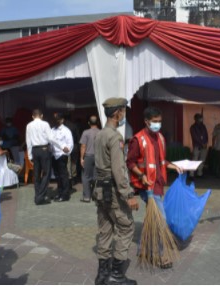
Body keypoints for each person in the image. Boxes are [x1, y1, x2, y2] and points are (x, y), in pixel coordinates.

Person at [126, 106, 183, 269]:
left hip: (158, 183)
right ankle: (157, 254)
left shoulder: (160, 138)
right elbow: (130, 162)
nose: (158, 124)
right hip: (146, 186)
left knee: (152, 216)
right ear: (146, 121)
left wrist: (174, 166)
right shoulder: (138, 139)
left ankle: (143, 248)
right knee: (160, 220)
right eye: (155, 121)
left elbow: (161, 161)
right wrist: (141, 175)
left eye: (160, 121)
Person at [93, 97, 139, 285]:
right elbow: (119, 170)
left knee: (105, 230)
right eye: (123, 111)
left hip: (99, 188)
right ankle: (117, 275)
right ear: (117, 113)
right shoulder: (114, 136)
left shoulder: (99, 134)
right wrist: (128, 194)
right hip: (112, 189)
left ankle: (102, 275)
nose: (123, 114)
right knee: (127, 227)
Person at [26, 109, 61, 205]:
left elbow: (28, 141)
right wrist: (60, 146)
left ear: (33, 116)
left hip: (35, 150)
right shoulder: (45, 124)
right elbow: (50, 138)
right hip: (44, 149)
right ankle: (40, 197)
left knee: (36, 174)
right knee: (46, 173)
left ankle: (38, 195)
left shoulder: (29, 125)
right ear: (41, 115)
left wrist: (29, 155)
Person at [51, 112, 73, 202]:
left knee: (63, 175)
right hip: (54, 155)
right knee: (57, 175)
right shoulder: (52, 129)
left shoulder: (66, 130)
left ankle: (65, 195)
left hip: (61, 155)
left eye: (58, 119)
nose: (56, 121)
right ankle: (59, 193)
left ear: (62, 120)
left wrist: (67, 151)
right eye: (55, 119)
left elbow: (70, 143)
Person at [79, 115, 100, 202]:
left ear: (88, 123)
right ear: (97, 122)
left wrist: (81, 158)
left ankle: (87, 196)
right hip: (98, 157)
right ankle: (96, 195)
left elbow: (83, 146)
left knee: (86, 176)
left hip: (88, 156)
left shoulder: (86, 132)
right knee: (96, 177)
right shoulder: (101, 132)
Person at [189, 112, 208, 178]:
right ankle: (191, 174)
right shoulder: (192, 127)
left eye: (201, 118)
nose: (200, 119)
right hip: (197, 146)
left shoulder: (203, 126)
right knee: (194, 160)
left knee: (202, 160)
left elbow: (206, 135)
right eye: (199, 118)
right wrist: (201, 144)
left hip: (204, 146)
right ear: (195, 119)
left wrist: (206, 143)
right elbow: (195, 137)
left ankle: (200, 173)